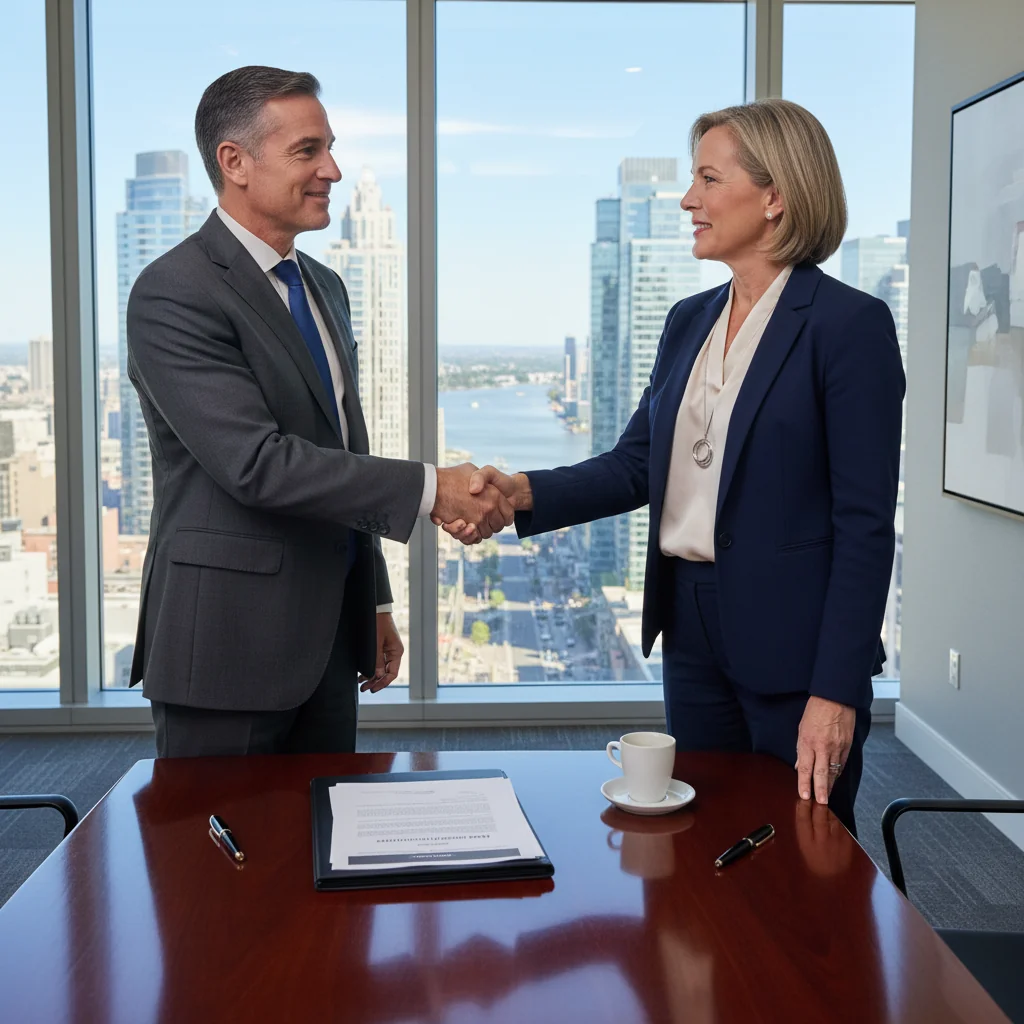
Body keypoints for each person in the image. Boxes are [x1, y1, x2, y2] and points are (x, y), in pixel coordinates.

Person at [438, 99, 905, 834]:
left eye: (709, 179)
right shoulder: (689, 319)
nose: (689, 199)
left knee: (802, 848)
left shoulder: (848, 326)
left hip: (796, 639)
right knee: (702, 833)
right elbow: (637, 464)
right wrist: (518, 491)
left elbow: (865, 526)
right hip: (690, 624)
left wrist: (837, 688)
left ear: (776, 197)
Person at [127, 66, 511, 757]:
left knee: (330, 820)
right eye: (308, 150)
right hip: (227, 647)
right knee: (220, 831)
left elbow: (343, 453)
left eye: (330, 148)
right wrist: (434, 488)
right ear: (235, 162)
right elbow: (257, 465)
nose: (331, 169)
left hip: (330, 639)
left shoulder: (325, 286)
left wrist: (374, 600)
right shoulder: (174, 292)